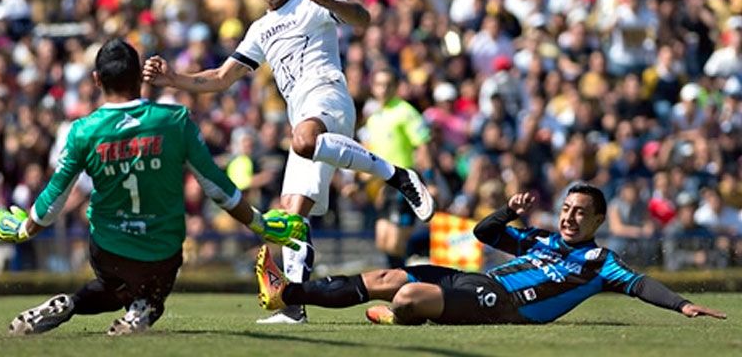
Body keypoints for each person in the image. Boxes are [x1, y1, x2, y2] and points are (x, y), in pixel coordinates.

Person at [143, 0, 436, 324]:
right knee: (290, 219)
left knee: (302, 140)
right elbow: (219, 78)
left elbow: (363, 20)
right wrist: (172, 79)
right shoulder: (260, 29)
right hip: (303, 118)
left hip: (328, 97)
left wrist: (328, 1)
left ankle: (397, 175)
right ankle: (295, 306)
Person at [0, 39, 308, 336]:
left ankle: (73, 304)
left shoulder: (83, 131)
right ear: (140, 78)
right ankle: (144, 307)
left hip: (107, 249)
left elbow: (54, 197)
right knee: (152, 294)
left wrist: (23, 229)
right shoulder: (175, 120)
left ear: (97, 80)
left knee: (114, 286)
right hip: (162, 248)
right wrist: (260, 224)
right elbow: (218, 188)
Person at [256, 183, 726, 325]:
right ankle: (286, 294)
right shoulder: (539, 237)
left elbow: (640, 283)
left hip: (507, 307)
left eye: (580, 213)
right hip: (478, 283)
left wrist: (683, 305)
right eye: (566, 208)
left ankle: (404, 316)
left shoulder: (599, 262)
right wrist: (509, 210)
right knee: (384, 276)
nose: (569, 218)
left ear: (598, 221)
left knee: (408, 297)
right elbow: (485, 232)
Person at [360, 68, 427, 268]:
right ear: (373, 88)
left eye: (388, 84)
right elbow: (372, 155)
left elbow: (423, 145)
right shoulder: (374, 118)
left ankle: (409, 280)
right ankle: (402, 280)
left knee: (395, 242)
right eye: (380, 84)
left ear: (396, 87)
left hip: (403, 182)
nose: (384, 89)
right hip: (383, 185)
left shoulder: (406, 112)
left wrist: (429, 179)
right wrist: (362, 182)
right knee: (382, 240)